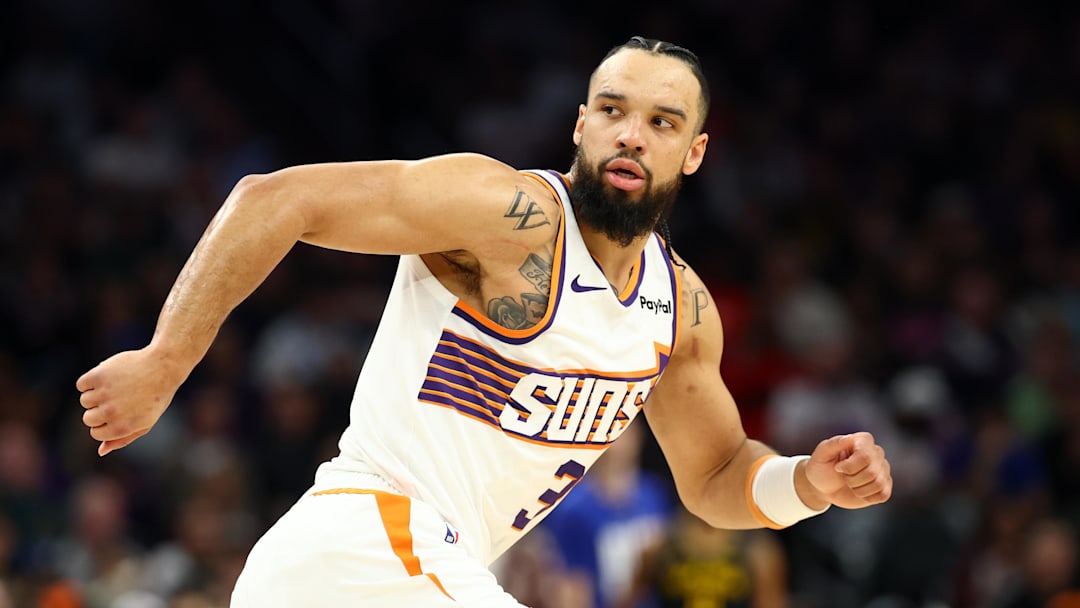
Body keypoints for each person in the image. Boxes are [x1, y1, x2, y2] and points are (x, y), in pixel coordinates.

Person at [76, 36, 893, 607]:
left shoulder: (680, 310)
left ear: (696, 153)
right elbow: (274, 198)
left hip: (404, 571)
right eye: (612, 109)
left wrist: (810, 483)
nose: (630, 134)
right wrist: (165, 359)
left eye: (661, 122)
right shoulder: (509, 216)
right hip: (363, 545)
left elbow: (715, 480)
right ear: (580, 124)